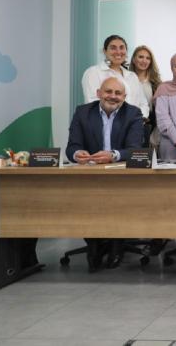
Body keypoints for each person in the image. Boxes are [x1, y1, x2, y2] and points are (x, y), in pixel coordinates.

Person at [66, 77, 145, 272]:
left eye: (118, 93)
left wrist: (113, 155)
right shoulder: (83, 112)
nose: (113, 96)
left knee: (118, 200)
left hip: (121, 175)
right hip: (90, 173)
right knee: (86, 202)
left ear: (124, 97)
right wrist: (78, 154)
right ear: (98, 93)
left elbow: (134, 149)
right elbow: (72, 146)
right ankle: (94, 244)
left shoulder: (133, 113)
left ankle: (116, 244)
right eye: (108, 91)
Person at [81, 34, 150, 119]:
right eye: (113, 48)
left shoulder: (132, 76)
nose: (118, 52)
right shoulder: (93, 73)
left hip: (135, 124)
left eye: (122, 47)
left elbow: (143, 104)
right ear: (105, 51)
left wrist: (137, 119)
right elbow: (93, 104)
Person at [129, 45, 162, 145]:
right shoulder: (126, 79)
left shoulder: (157, 83)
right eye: (141, 57)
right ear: (134, 59)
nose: (144, 61)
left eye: (148, 58)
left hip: (150, 127)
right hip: (129, 124)